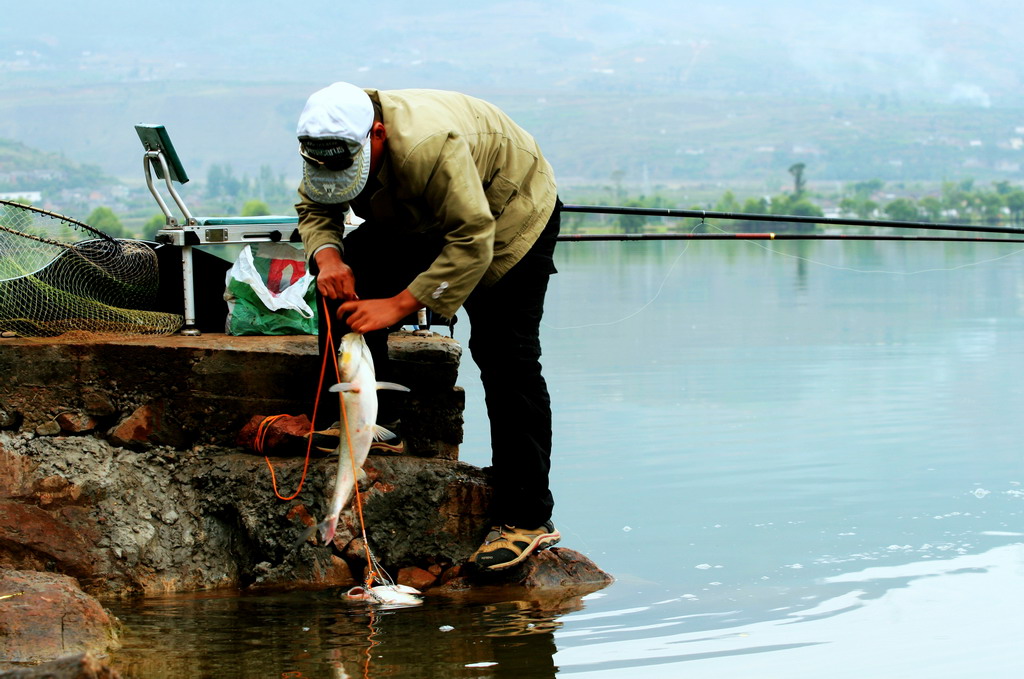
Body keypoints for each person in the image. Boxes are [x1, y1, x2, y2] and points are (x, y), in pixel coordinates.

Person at [294, 82, 561, 571]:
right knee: (345, 281)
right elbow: (315, 206)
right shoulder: (325, 142)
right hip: (423, 216)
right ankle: (377, 422)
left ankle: (526, 518)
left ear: (376, 134)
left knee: (506, 356)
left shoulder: (428, 144)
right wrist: (328, 257)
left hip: (508, 216)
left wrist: (399, 304)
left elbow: (472, 237)